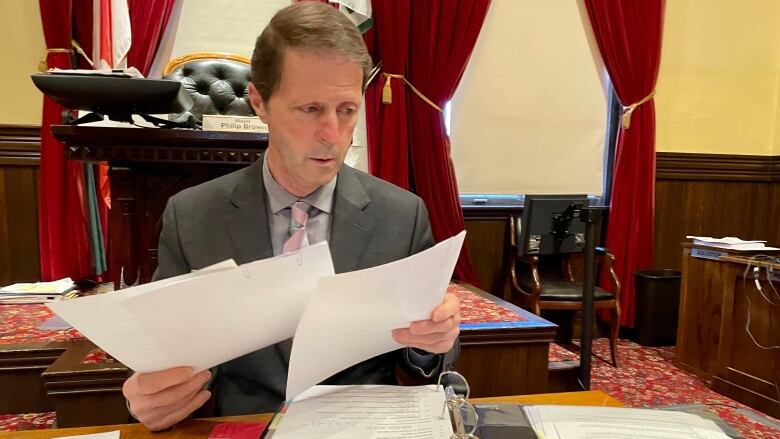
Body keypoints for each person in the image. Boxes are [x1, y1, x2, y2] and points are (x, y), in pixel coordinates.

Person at [121, 1, 461, 431]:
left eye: (347, 110)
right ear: (260, 102)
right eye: (311, 109)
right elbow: (164, 354)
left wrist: (429, 345)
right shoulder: (193, 216)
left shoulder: (401, 214)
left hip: (360, 426)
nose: (333, 135)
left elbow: (429, 357)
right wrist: (149, 398)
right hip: (242, 425)